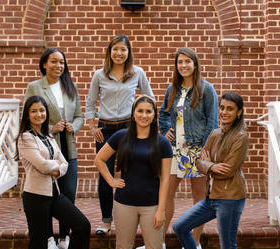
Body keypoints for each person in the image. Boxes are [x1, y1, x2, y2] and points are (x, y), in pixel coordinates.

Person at [144, 47, 217, 249]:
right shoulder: (173, 88)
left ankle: (194, 242)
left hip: (198, 149)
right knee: (167, 193)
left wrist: (205, 148)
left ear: (195, 64)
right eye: (180, 62)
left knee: (199, 196)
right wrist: (166, 129)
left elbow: (213, 122)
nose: (183, 65)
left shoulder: (207, 89)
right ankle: (159, 242)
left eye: (187, 62)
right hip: (174, 149)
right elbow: (164, 113)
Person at [85, 34, 154, 234]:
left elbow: (149, 98)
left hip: (128, 128)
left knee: (131, 172)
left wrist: (145, 120)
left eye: (123, 49)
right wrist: (91, 126)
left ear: (128, 52)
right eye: (115, 49)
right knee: (105, 174)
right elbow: (90, 103)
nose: (119, 53)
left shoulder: (137, 73)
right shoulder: (99, 75)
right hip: (105, 129)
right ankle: (106, 221)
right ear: (110, 51)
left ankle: (130, 221)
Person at [94, 95, 172, 249]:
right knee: (123, 246)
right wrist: (111, 181)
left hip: (152, 205)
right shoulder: (121, 136)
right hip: (124, 204)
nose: (144, 115)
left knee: (155, 246)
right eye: (140, 111)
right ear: (133, 114)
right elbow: (99, 159)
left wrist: (161, 210)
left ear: (154, 115)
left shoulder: (162, 142)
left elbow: (165, 180)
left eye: (148, 112)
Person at [173, 92, 248, 249]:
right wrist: (212, 166)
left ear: (239, 112)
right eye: (222, 108)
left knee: (227, 245)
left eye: (230, 109)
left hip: (230, 199)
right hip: (211, 198)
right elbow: (198, 161)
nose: (224, 112)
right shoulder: (215, 133)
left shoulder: (240, 136)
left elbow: (227, 171)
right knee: (180, 227)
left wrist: (207, 165)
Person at [24, 48, 83, 249]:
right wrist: (51, 128)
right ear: (44, 64)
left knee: (68, 193)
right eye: (54, 61)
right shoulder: (35, 86)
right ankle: (48, 238)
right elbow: (28, 116)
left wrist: (72, 127)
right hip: (45, 148)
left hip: (68, 148)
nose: (59, 66)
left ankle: (64, 238)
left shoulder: (70, 87)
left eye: (62, 62)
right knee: (46, 195)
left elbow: (79, 117)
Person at [15, 95, 90, 249]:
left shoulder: (49, 136)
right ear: (27, 115)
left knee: (82, 226)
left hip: (55, 194)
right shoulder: (25, 138)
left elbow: (65, 164)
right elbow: (42, 165)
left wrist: (56, 168)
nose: (38, 114)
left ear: (46, 113)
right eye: (33, 111)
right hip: (36, 197)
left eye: (42, 110)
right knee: (39, 243)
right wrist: (55, 165)